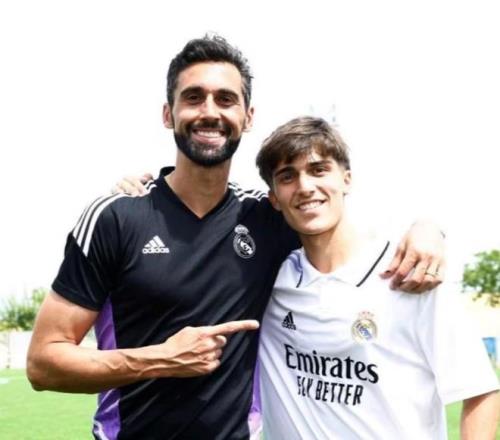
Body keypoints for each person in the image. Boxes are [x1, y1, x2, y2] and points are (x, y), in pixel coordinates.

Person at [27, 35, 445, 440]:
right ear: (168, 114)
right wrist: (160, 359)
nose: (210, 112)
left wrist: (428, 229)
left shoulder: (266, 218)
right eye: (194, 98)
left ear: (248, 117)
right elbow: (44, 364)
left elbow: (340, 226)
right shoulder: (115, 218)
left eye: (226, 99)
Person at [253, 116, 499, 439]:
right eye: (287, 176)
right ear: (274, 198)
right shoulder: (268, 279)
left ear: (347, 179)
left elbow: (480, 391)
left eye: (318, 170)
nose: (305, 186)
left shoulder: (412, 273)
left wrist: (429, 226)